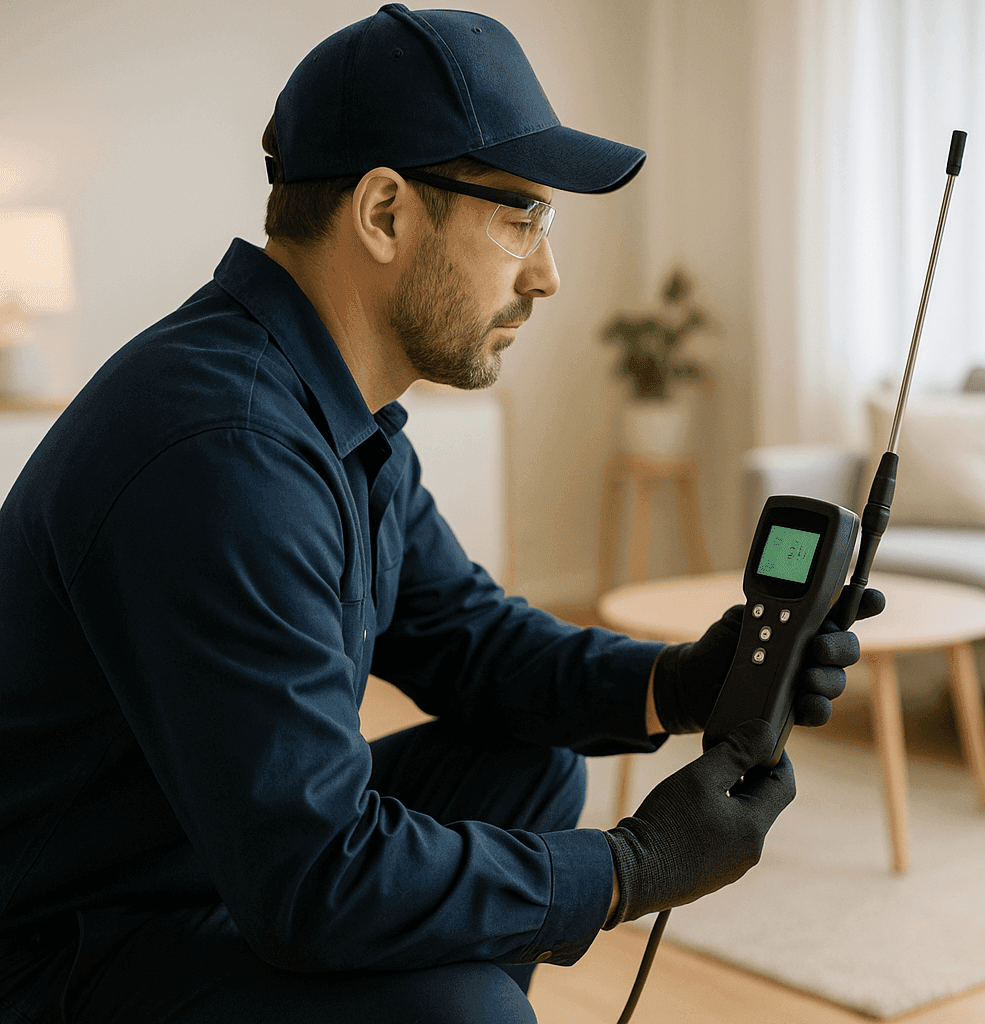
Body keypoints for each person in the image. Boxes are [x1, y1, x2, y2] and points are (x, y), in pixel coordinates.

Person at [0, 6, 882, 1022]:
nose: (548, 275)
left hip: (205, 856)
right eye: (522, 220)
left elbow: (470, 642)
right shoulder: (226, 450)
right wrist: (630, 867)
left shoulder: (331, 408)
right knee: (467, 1013)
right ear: (384, 213)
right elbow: (315, 875)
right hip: (67, 946)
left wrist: (684, 681)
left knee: (526, 768)